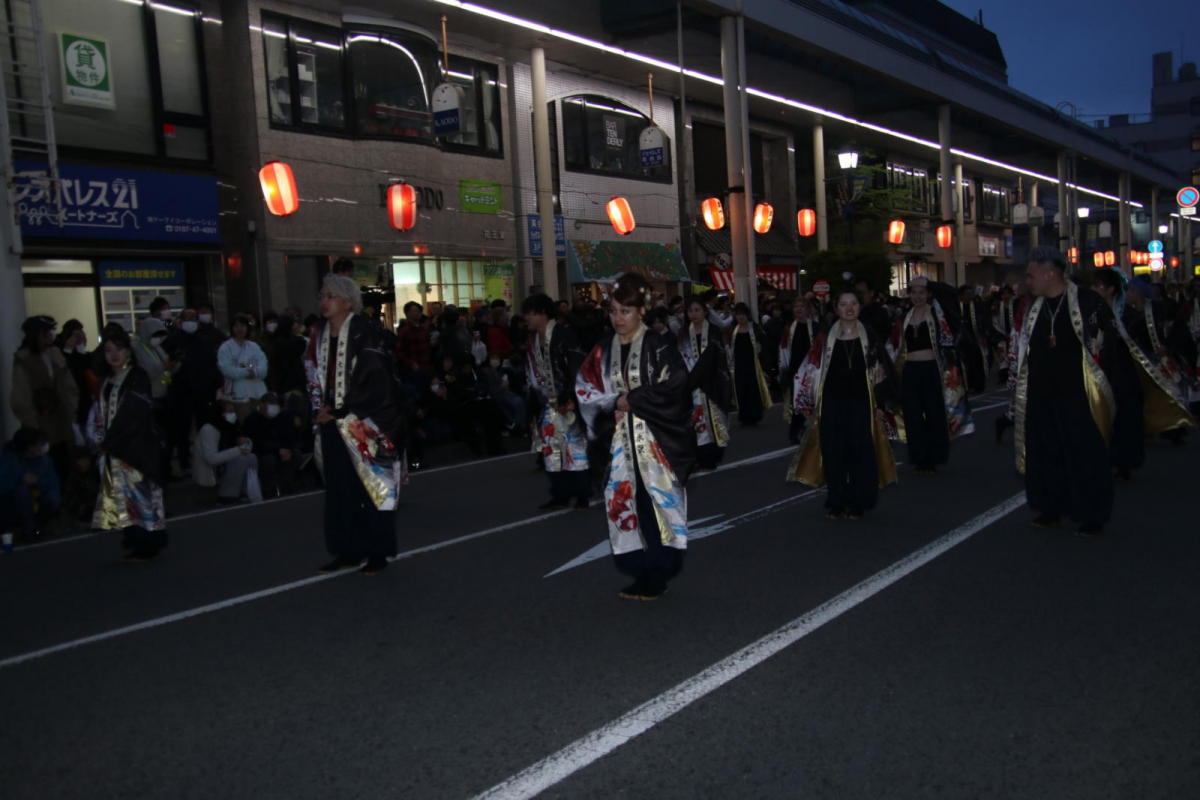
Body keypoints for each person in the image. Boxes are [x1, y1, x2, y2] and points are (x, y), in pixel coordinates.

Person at [576, 273, 696, 601]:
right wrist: (613, 401)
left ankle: (658, 572)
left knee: (655, 506)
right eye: (614, 311)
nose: (619, 318)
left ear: (641, 311)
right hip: (618, 446)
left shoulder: (659, 346)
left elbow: (677, 387)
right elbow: (585, 387)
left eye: (626, 311)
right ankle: (641, 569)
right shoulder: (603, 349)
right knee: (626, 505)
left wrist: (636, 400)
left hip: (656, 444)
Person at [1011, 248, 1118, 537]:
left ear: (1050, 274)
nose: (1027, 281)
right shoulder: (1031, 306)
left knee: (1085, 455)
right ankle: (1050, 507)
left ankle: (1092, 514)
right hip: (1040, 392)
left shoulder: (1087, 302)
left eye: (1031, 275)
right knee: (1045, 453)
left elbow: (1107, 347)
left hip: (1078, 394)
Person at [306, 275, 406, 576]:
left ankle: (378, 553)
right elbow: (311, 373)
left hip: (364, 423)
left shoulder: (366, 333)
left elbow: (375, 379)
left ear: (348, 302)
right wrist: (320, 408)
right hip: (331, 422)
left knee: (372, 487)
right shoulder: (319, 334)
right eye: (322, 295)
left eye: (331, 296)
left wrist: (343, 410)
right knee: (339, 491)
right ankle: (346, 550)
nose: (324, 301)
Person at [787, 287, 898, 520]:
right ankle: (836, 501)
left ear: (860, 306)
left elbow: (881, 371)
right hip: (831, 402)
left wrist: (880, 403)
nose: (849, 308)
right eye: (843, 304)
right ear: (835, 309)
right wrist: (808, 404)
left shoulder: (869, 334)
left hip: (861, 403)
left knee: (860, 452)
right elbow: (810, 369)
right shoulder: (825, 336)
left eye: (854, 304)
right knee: (833, 452)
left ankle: (858, 502)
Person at [91, 328, 167, 562]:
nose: (113, 355)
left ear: (128, 352)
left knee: (142, 494)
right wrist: (99, 437)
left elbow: (133, 412)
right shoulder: (106, 380)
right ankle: (135, 540)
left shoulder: (137, 376)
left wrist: (111, 439)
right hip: (115, 446)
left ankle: (149, 542)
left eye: (119, 349)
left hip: (136, 444)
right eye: (109, 350)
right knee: (124, 497)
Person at [887, 277, 975, 476]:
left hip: (932, 369)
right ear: (908, 294)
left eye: (922, 292)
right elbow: (892, 346)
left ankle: (934, 459)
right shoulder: (903, 317)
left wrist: (928, 282)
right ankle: (919, 459)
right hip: (910, 370)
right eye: (914, 292)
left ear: (928, 294)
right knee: (913, 415)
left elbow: (952, 293)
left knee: (935, 413)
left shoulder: (937, 313)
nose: (917, 296)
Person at [521, 293, 591, 510]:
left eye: (530, 314)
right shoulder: (533, 340)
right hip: (546, 403)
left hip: (567, 400)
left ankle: (581, 495)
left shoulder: (563, 334)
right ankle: (560, 493)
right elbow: (531, 374)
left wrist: (569, 394)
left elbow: (578, 366)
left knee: (575, 448)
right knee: (552, 450)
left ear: (542, 313)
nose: (527, 318)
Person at [11, 315, 79, 484]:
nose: (52, 335)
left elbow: (69, 385)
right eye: (49, 331)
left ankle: (67, 503)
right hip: (40, 423)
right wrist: (32, 425)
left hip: (62, 419)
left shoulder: (55, 353)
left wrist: (72, 412)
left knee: (66, 467)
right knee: (46, 471)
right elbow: (21, 396)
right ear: (38, 334)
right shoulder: (24, 358)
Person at [678, 295, 733, 472]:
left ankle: (711, 457)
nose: (693, 314)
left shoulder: (713, 331)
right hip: (691, 385)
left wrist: (696, 377)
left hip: (711, 382)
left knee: (714, 420)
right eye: (690, 310)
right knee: (695, 422)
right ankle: (697, 457)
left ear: (704, 312)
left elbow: (715, 358)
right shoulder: (683, 333)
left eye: (697, 310)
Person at [0, 427, 62, 543]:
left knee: (54, 500)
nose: (43, 446)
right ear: (30, 447)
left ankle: (36, 526)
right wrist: (20, 479)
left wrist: (37, 481)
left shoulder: (45, 460)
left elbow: (54, 484)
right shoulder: (10, 459)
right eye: (40, 444)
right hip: (13, 504)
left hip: (38, 499)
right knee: (22, 492)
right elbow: (2, 484)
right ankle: (28, 531)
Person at [193, 400, 260, 504]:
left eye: (233, 411)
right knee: (239, 460)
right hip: (212, 470)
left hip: (224, 464)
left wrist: (246, 442)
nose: (232, 414)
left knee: (251, 458)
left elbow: (245, 449)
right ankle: (227, 495)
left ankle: (247, 491)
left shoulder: (232, 427)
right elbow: (211, 459)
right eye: (228, 411)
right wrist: (237, 451)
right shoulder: (209, 430)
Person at [727, 303, 773, 426]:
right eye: (738, 314)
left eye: (743, 314)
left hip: (753, 365)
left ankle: (755, 415)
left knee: (754, 390)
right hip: (739, 365)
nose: (740, 317)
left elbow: (764, 347)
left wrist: (764, 365)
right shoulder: (733, 331)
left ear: (747, 315)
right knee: (741, 390)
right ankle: (744, 416)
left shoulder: (756, 329)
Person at [780, 297, 817, 444]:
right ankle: (794, 432)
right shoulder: (789, 328)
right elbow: (784, 349)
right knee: (796, 401)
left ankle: (810, 429)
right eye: (796, 307)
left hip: (811, 369)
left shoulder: (815, 327)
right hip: (795, 369)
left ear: (808, 309)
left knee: (811, 399)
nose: (799, 309)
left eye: (802, 306)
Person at [217, 315, 269, 422]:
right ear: (232, 328)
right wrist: (247, 372)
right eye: (236, 326)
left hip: (256, 392)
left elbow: (264, 367)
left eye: (242, 326)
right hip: (237, 393)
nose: (239, 329)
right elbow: (227, 370)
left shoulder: (254, 346)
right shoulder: (225, 347)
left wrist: (255, 372)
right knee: (243, 422)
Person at [957, 284, 990, 394]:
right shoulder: (957, 307)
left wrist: (983, 332)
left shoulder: (978, 306)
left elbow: (985, 320)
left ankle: (979, 385)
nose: (970, 296)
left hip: (976, 338)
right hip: (962, 340)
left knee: (978, 362)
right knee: (965, 364)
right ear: (961, 295)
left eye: (971, 294)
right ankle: (967, 384)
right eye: (967, 294)